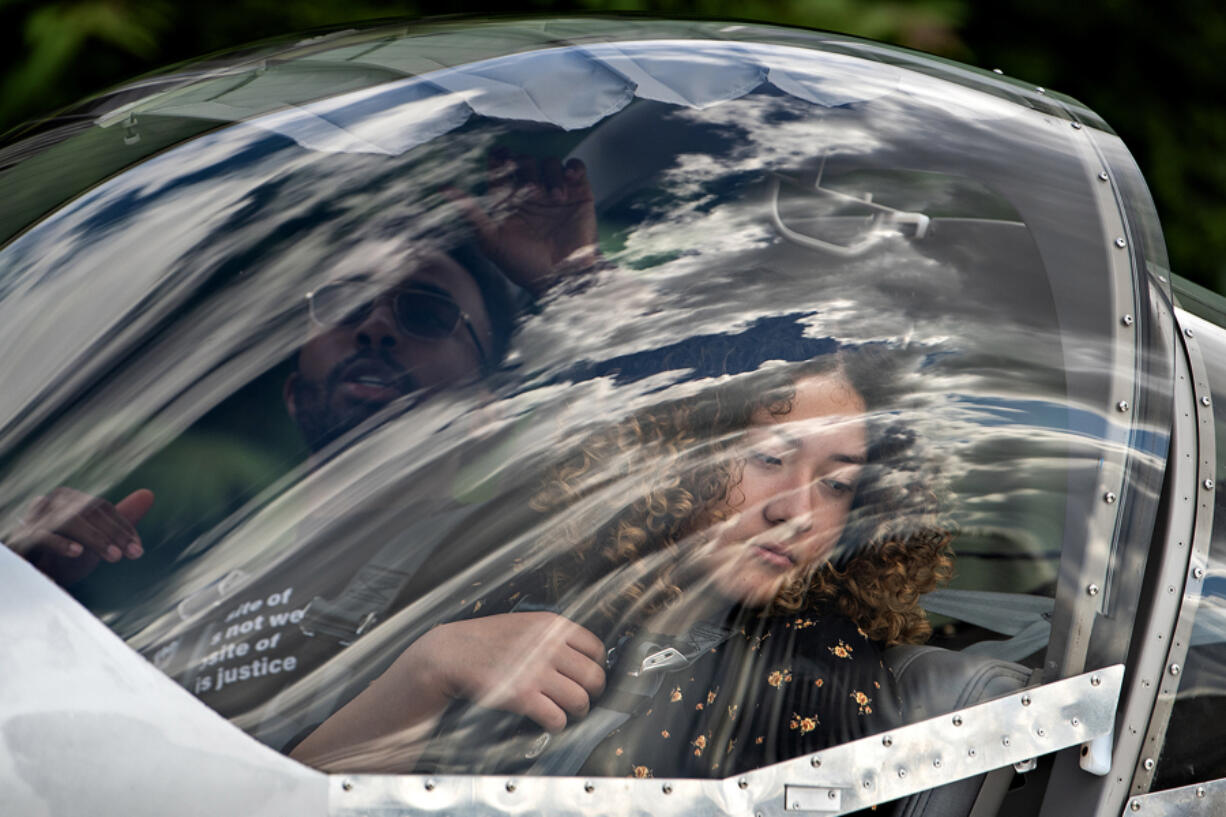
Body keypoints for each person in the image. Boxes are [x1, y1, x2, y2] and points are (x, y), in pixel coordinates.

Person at [287, 345, 953, 777]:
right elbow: (277, 793)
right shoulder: (525, 580)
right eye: (770, 457)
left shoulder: (815, 674)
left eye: (838, 484)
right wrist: (427, 670)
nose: (798, 510)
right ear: (676, 447)